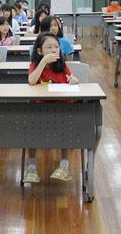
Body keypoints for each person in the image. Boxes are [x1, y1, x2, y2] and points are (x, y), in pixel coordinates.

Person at [24, 33, 79, 183]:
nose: (54, 50)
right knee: (32, 130)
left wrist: (73, 81)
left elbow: (70, 80)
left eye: (56, 47)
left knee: (65, 128)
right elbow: (32, 81)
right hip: (40, 108)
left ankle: (64, 165)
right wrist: (43, 62)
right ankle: (32, 166)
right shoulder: (35, 65)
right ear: (39, 51)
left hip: (63, 107)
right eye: (49, 47)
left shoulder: (62, 66)